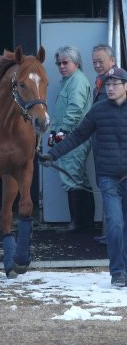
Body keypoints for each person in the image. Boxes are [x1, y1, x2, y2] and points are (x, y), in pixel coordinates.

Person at [39, 67, 127, 287]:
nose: (110, 88)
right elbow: (77, 135)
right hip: (108, 179)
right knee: (115, 225)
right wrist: (53, 154)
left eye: (115, 84)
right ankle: (118, 272)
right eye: (107, 84)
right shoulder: (98, 111)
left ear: (126, 86)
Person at [47, 45, 95, 233]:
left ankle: (77, 223)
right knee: (79, 178)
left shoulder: (76, 81)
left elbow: (75, 109)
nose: (61, 66)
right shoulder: (68, 81)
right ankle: (86, 222)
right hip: (71, 135)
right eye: (58, 63)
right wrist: (54, 132)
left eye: (65, 62)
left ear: (76, 62)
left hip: (73, 137)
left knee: (71, 178)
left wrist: (61, 133)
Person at [92, 44, 116, 244]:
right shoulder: (99, 83)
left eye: (101, 61)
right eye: (94, 62)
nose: (97, 65)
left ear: (112, 61)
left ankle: (114, 236)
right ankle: (111, 233)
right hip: (100, 149)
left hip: (113, 152)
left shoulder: (116, 86)